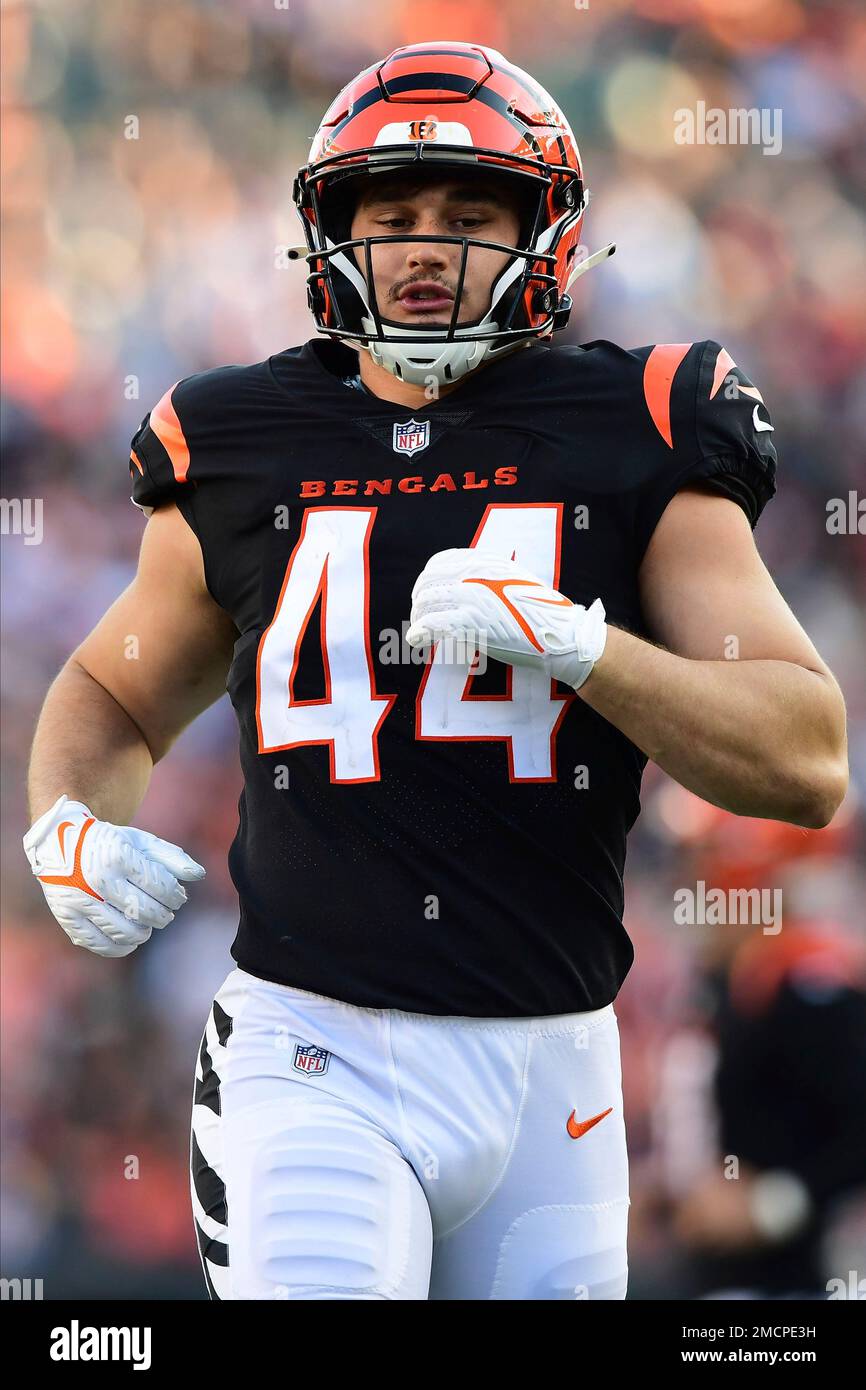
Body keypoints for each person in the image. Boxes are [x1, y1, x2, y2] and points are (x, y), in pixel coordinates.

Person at [22, 41, 848, 1301]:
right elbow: (113, 694)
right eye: (391, 215)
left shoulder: (639, 423)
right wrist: (67, 821)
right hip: (310, 1047)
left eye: (467, 214)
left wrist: (585, 647)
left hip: (551, 1071)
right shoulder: (243, 435)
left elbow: (802, 757)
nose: (422, 247)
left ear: (547, 236)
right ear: (327, 236)